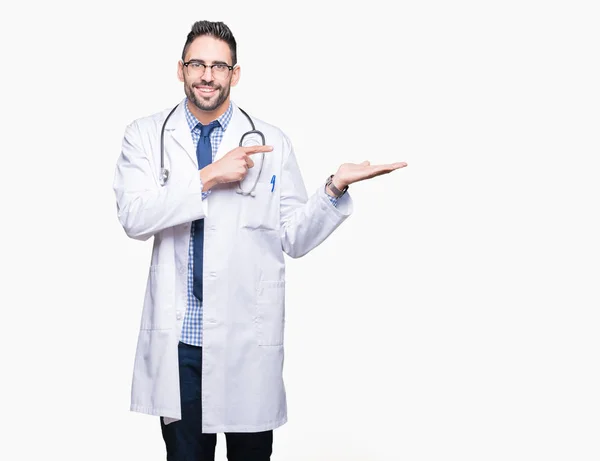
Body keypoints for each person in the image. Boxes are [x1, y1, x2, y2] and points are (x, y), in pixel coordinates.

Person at [113, 20, 407, 461]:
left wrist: (334, 188)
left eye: (219, 65)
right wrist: (210, 176)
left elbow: (294, 236)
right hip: (181, 348)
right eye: (197, 64)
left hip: (244, 343)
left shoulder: (272, 142)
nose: (207, 75)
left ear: (235, 73)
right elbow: (134, 218)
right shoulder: (145, 136)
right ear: (180, 69)